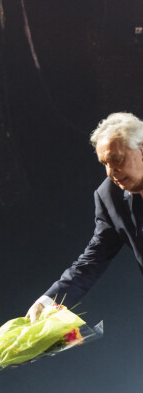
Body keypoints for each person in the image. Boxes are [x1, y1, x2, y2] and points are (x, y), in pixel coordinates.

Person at [27, 111, 143, 321]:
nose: (111, 172)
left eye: (116, 159)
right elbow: (93, 259)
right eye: (104, 163)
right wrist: (49, 300)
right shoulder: (109, 196)